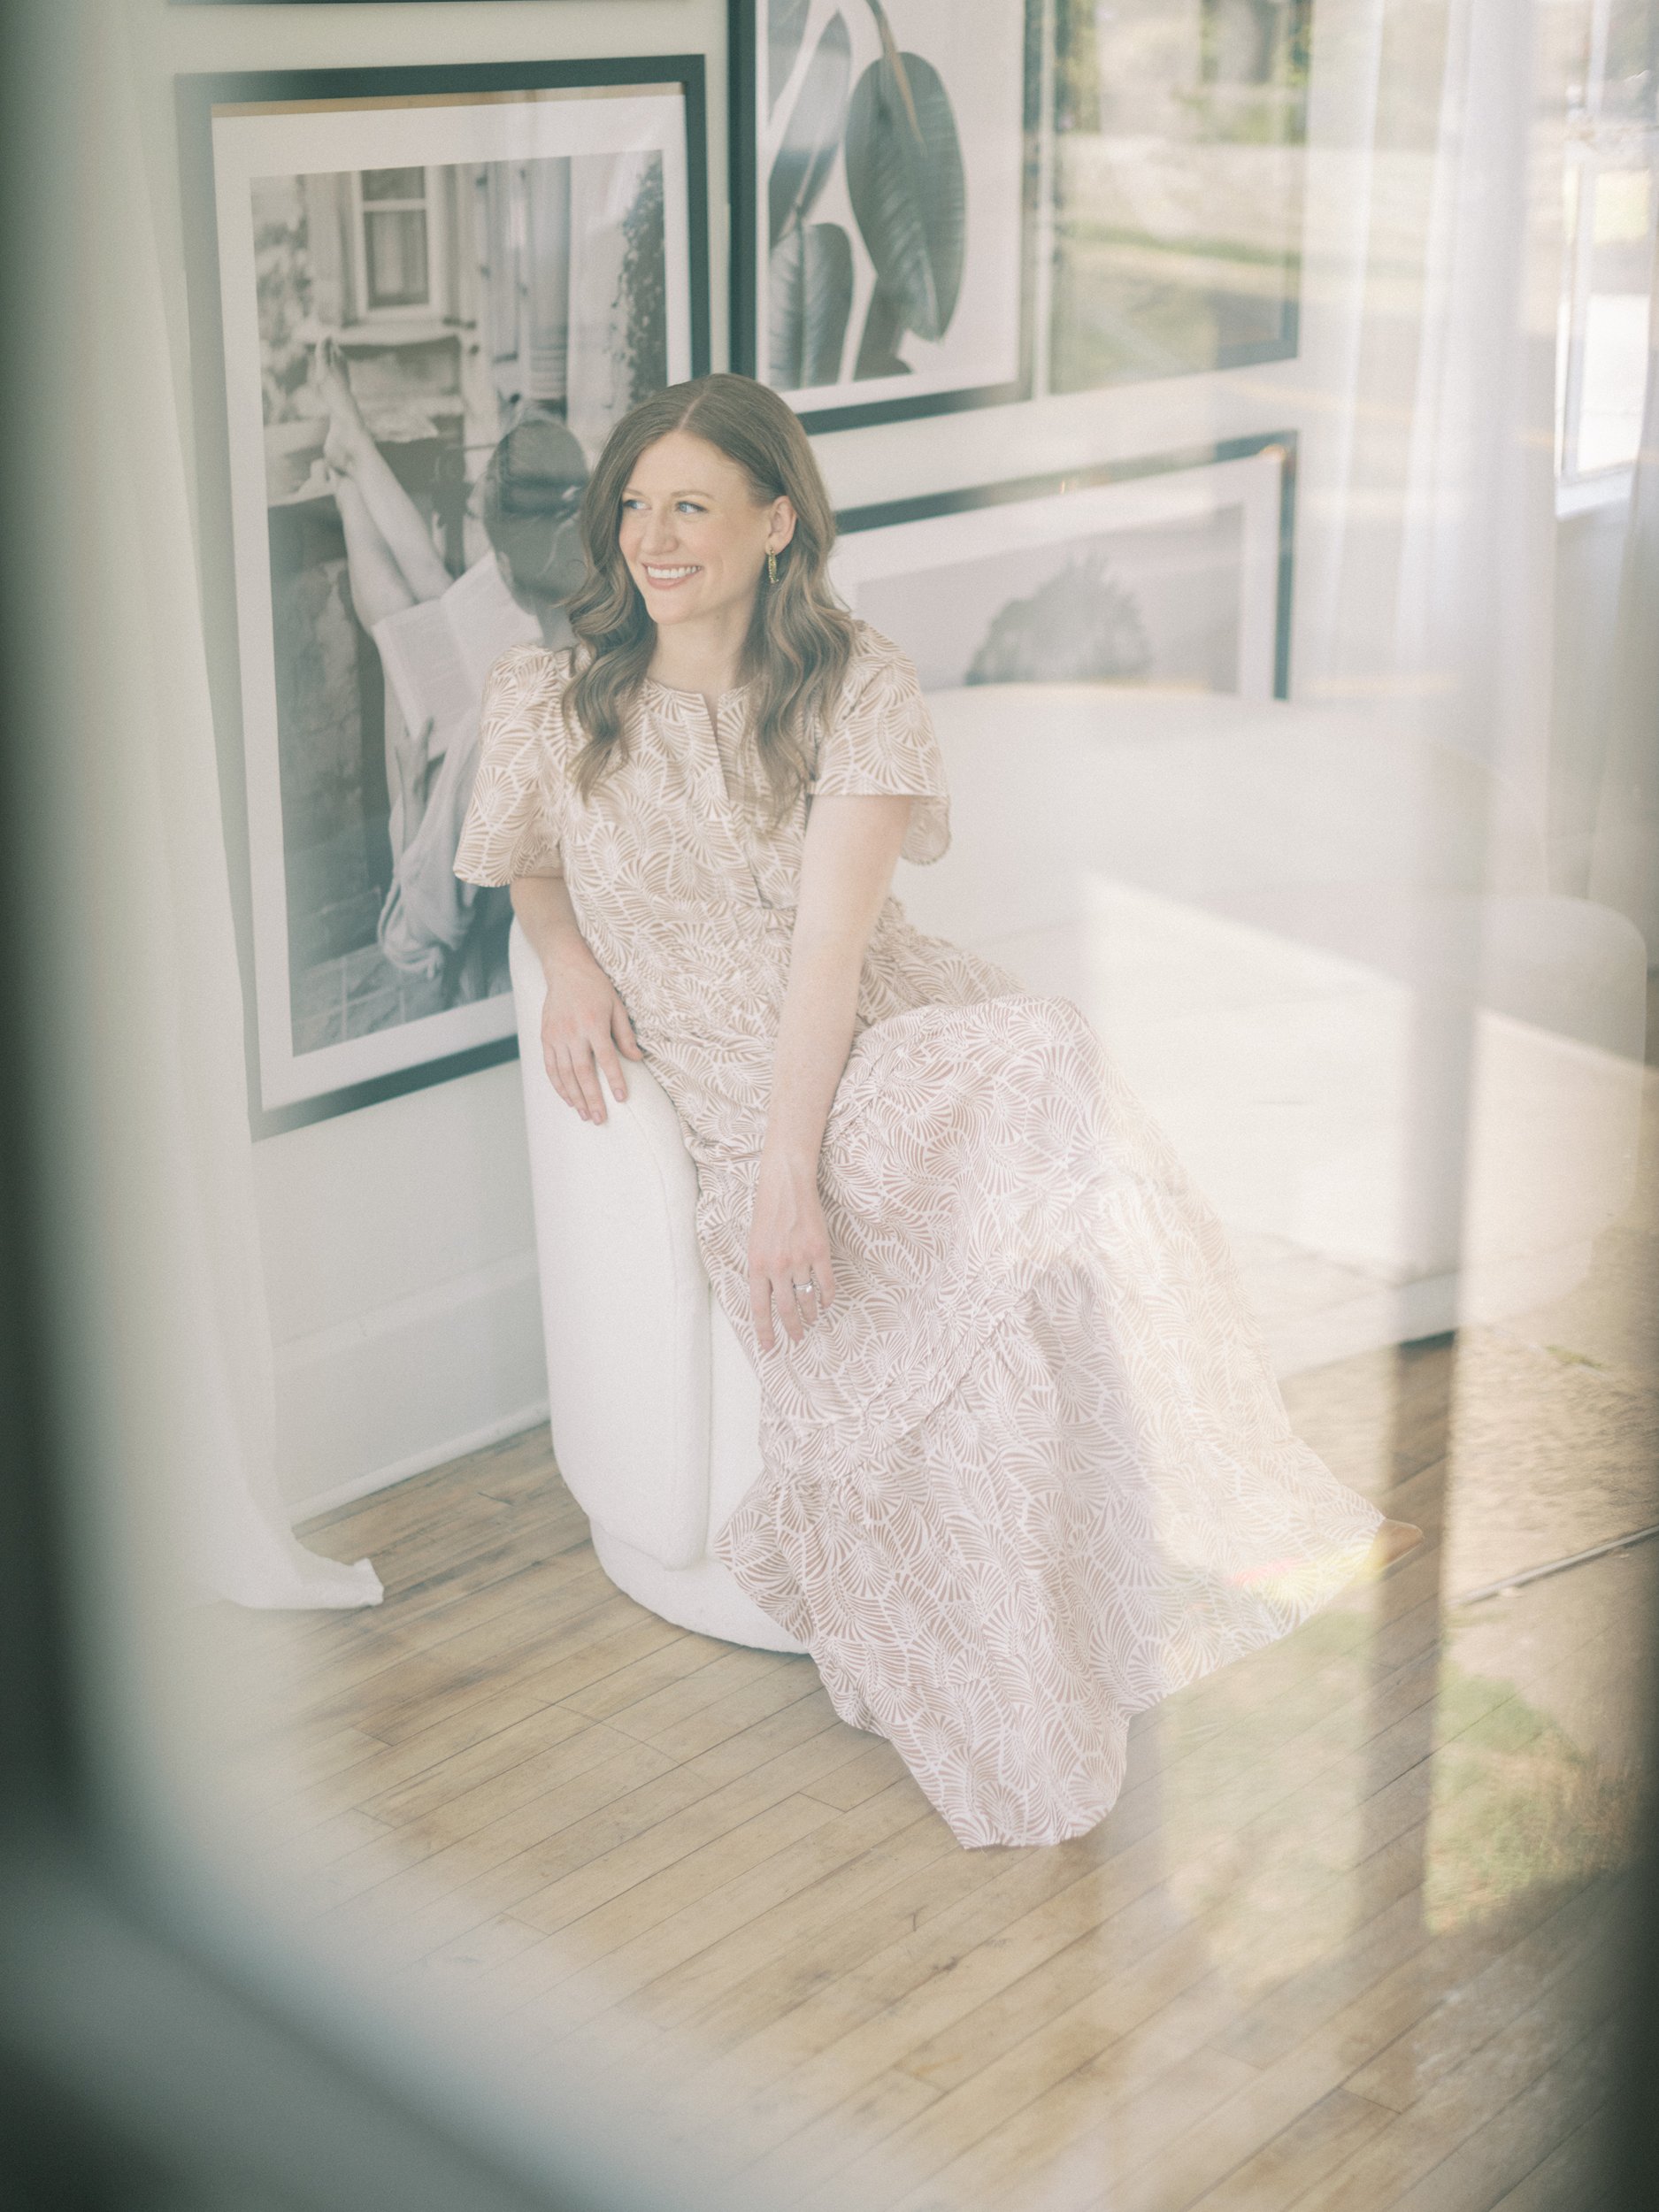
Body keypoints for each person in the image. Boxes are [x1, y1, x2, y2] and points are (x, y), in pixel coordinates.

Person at [452, 372, 1423, 1851]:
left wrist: (792, 1178)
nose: (654, 537)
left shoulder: (856, 688)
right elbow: (527, 854)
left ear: (777, 523)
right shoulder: (548, 697)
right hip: (718, 1085)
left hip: (873, 1054)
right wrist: (572, 963)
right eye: (636, 504)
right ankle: (1022, 1664)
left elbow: (835, 958)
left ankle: (1201, 1500)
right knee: (1004, 1277)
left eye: (692, 507)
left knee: (1037, 1061)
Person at [313, 335, 588, 1001]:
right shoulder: (626, 649)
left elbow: (416, 934)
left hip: (483, 907)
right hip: (532, 730)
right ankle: (352, 456)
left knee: (411, 631)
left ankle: (347, 476)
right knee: (438, 606)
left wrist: (410, 796)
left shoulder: (488, 745)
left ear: (511, 579)